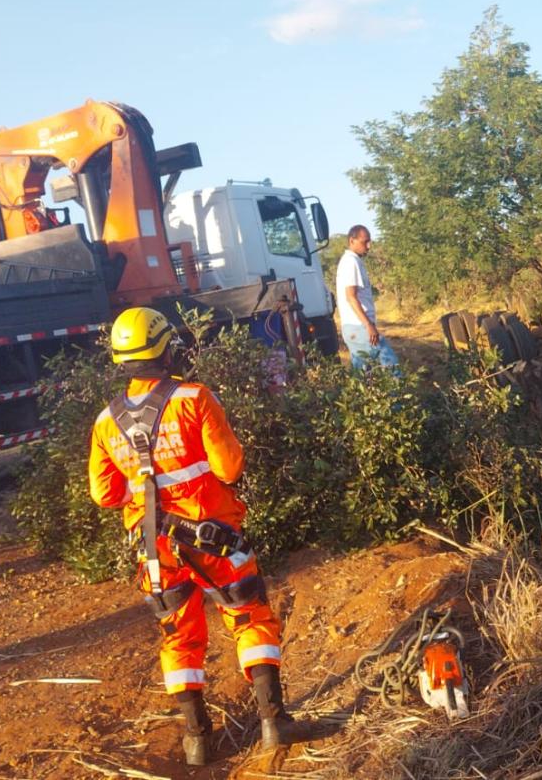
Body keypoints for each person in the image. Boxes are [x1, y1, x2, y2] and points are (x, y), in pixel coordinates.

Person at [89, 307, 292, 766]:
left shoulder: (105, 422)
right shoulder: (194, 398)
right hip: (214, 539)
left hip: (156, 553)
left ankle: (198, 740)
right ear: (165, 349)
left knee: (179, 638)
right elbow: (229, 467)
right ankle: (274, 722)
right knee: (250, 618)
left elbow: (104, 495)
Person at [334, 225, 399, 370]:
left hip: (353, 327)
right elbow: (351, 297)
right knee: (391, 365)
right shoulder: (351, 262)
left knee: (363, 373)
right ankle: (399, 392)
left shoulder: (351, 261)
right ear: (352, 241)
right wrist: (368, 325)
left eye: (370, 242)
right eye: (365, 242)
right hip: (359, 327)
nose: (368, 246)